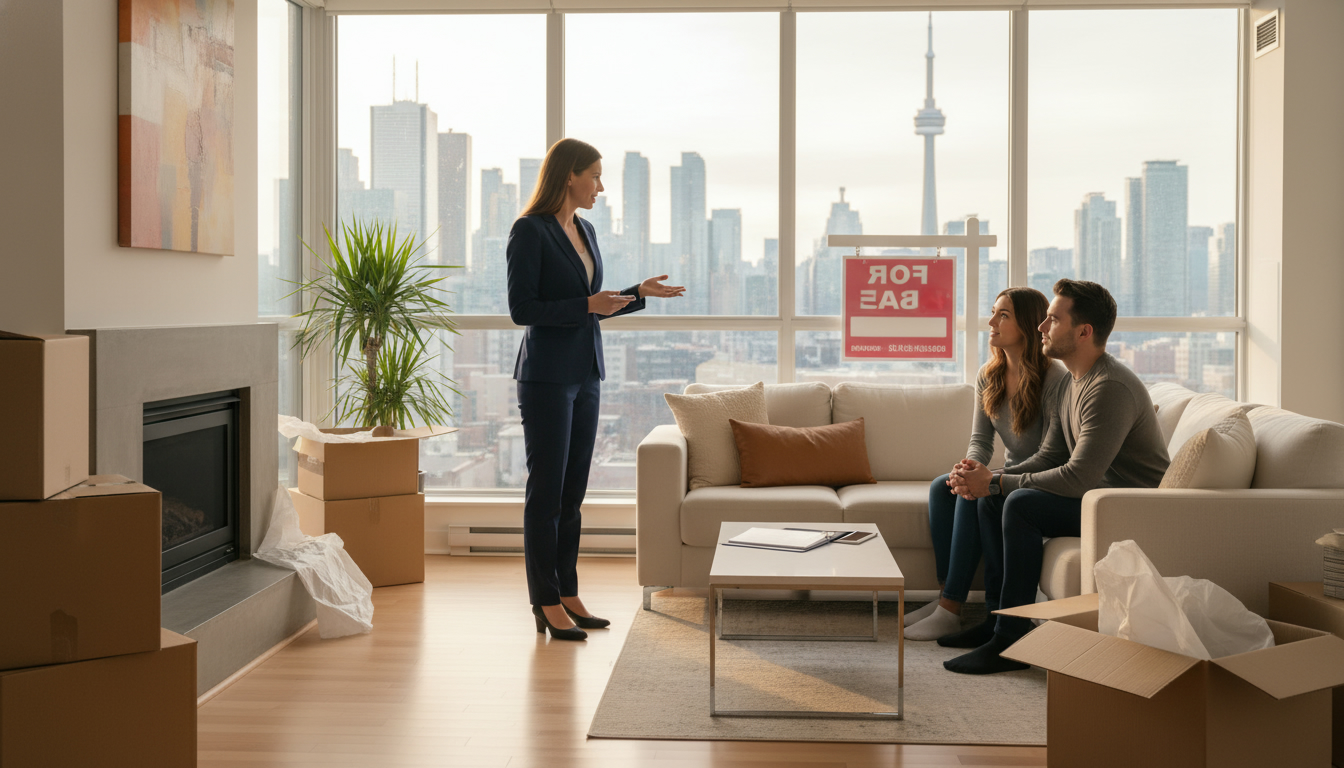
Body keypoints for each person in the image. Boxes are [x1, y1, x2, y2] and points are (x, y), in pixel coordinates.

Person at [506, 139, 685, 641]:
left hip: (586, 374)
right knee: (546, 494)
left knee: (572, 494)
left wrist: (636, 294)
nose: (601, 187)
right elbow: (523, 309)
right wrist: (588, 305)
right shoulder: (529, 230)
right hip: (546, 377)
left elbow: (592, 305)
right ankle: (544, 601)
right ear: (570, 176)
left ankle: (567, 591)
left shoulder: (585, 230)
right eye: (596, 176)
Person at [943, 279, 1169, 674]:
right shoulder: (1074, 380)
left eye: (1053, 320)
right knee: (995, 498)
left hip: (1128, 507)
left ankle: (1011, 640)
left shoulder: (1108, 387)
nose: (1042, 328)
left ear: (1083, 332)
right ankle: (998, 621)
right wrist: (989, 479)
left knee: (1020, 503)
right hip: (1099, 498)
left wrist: (996, 482)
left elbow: (1078, 477)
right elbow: (1050, 455)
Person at [905, 288, 1067, 641]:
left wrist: (986, 479)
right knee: (943, 487)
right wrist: (968, 467)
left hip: (1039, 477)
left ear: (1027, 324)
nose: (991, 321)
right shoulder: (989, 374)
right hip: (1011, 472)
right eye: (993, 312)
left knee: (977, 492)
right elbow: (981, 440)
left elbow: (1052, 454)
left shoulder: (1055, 379)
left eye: (1003, 315)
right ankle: (946, 596)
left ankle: (951, 608)